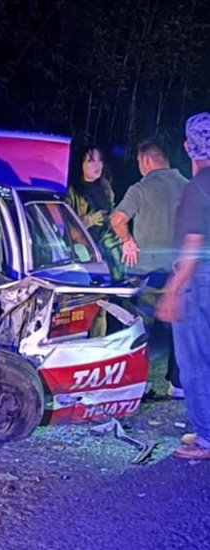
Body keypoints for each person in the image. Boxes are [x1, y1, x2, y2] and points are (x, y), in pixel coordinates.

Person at [110, 137, 187, 398]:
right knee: (179, 329)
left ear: (145, 160)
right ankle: (177, 385)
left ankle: (138, 385)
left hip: (144, 274)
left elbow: (118, 219)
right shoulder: (188, 187)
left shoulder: (140, 188)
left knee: (138, 328)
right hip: (179, 273)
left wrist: (127, 241)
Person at [156, 112, 210, 460]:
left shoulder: (200, 185)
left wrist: (173, 288)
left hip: (200, 280)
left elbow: (193, 241)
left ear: (188, 147)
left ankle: (206, 436)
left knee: (195, 359)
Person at [67, 146, 125, 282]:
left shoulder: (106, 186)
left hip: (110, 246)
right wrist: (88, 221)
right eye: (91, 161)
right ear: (81, 164)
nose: (97, 165)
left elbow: (111, 213)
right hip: (86, 250)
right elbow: (66, 229)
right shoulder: (73, 192)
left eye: (100, 161)